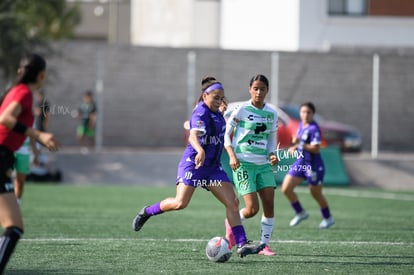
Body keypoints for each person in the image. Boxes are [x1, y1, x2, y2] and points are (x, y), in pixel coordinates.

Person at [132, 77, 265, 258]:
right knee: (180, 203)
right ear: (205, 96)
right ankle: (147, 211)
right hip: (194, 164)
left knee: (233, 203)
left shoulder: (218, 112)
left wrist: (224, 114)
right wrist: (200, 150)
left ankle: (242, 244)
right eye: (216, 97)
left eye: (221, 98)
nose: (219, 101)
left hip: (212, 168)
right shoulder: (200, 112)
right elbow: (193, 136)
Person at [0, 53, 59, 273]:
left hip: (4, 158)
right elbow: (5, 119)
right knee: (14, 228)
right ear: (41, 75)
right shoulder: (24, 93)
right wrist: (39, 135)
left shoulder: (14, 91)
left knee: (12, 228)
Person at [224, 74, 279, 256]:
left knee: (269, 204)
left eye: (262, 89)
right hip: (243, 164)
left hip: (263, 165)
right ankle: (232, 223)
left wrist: (272, 154)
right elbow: (226, 134)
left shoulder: (272, 113)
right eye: (255, 88)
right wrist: (231, 155)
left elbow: (271, 140)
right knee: (252, 209)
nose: (258, 92)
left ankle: (264, 245)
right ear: (250, 89)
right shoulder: (241, 109)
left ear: (266, 91)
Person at [281, 102, 334, 229]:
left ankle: (328, 218)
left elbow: (315, 148)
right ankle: (300, 212)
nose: (305, 115)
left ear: (313, 114)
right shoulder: (301, 125)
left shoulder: (314, 129)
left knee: (315, 193)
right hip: (301, 162)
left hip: (313, 165)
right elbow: (301, 143)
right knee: (286, 189)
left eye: (308, 112)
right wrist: (295, 146)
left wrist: (300, 144)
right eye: (303, 112)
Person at [13, 137, 39, 204]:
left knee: (20, 182)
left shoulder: (31, 126)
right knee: (4, 179)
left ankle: (17, 204)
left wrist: (36, 155)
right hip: (9, 151)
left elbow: (32, 140)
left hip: (24, 153)